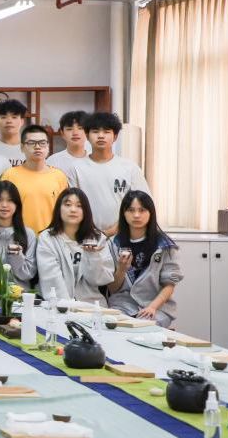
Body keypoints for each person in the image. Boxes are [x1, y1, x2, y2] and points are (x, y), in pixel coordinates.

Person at [68, 111, 150, 235]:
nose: (101, 136)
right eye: (95, 131)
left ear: (115, 136)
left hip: (123, 235)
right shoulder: (76, 168)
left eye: (106, 132)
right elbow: (72, 204)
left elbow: (144, 203)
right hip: (86, 236)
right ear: (87, 135)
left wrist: (114, 230)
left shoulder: (130, 168)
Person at [108, 190, 181, 327]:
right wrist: (122, 269)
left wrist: (152, 307)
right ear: (123, 213)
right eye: (131, 210)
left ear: (150, 213)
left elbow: (169, 285)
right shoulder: (114, 243)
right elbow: (112, 289)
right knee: (114, 324)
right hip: (123, 305)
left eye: (142, 210)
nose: (136, 215)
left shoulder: (164, 245)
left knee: (145, 326)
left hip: (156, 306)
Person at [36, 188, 114, 304]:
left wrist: (93, 257)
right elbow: (51, 279)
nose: (73, 210)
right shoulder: (47, 238)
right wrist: (68, 308)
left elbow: (102, 279)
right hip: (58, 305)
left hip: (92, 305)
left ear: (86, 211)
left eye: (79, 206)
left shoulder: (97, 238)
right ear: (59, 209)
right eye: (68, 205)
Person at [0, 124, 70, 233]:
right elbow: (1, 210)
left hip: (51, 238)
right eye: (31, 143)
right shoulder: (9, 175)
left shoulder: (59, 176)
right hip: (19, 237)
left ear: (48, 146)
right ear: (22, 147)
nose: (37, 147)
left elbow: (65, 211)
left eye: (42, 143)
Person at [0, 180, 38, 287]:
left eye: (10, 200)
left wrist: (17, 257)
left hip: (21, 295)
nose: (4, 205)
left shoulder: (28, 234)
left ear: (17, 204)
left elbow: (29, 273)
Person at [0, 99, 29, 166]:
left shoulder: (31, 148)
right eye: (3, 117)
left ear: (22, 121)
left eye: (14, 117)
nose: (9, 121)